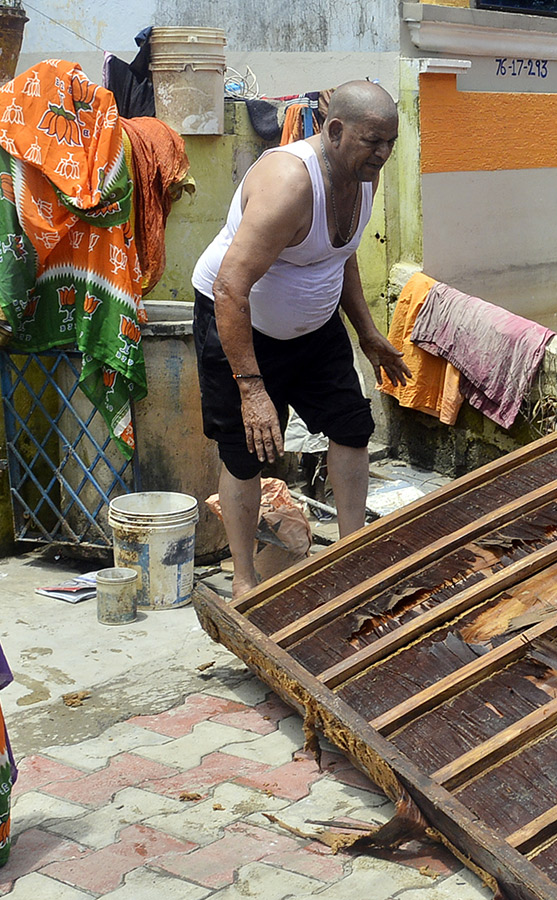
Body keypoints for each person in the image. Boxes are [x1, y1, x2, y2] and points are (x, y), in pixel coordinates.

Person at [192, 80, 411, 600]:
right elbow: (229, 287)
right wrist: (252, 388)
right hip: (241, 326)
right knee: (245, 453)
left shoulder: (363, 176)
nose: (382, 154)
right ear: (334, 131)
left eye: (390, 143)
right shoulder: (289, 182)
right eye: (372, 141)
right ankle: (244, 579)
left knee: (352, 425)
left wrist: (368, 333)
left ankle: (352, 553)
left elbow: (344, 253)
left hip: (316, 328)